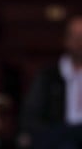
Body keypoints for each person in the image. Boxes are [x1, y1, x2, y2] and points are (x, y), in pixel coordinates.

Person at [20, 14, 82, 149]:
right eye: (76, 36)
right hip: (59, 137)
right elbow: (31, 116)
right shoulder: (48, 76)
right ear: (66, 40)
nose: (80, 42)